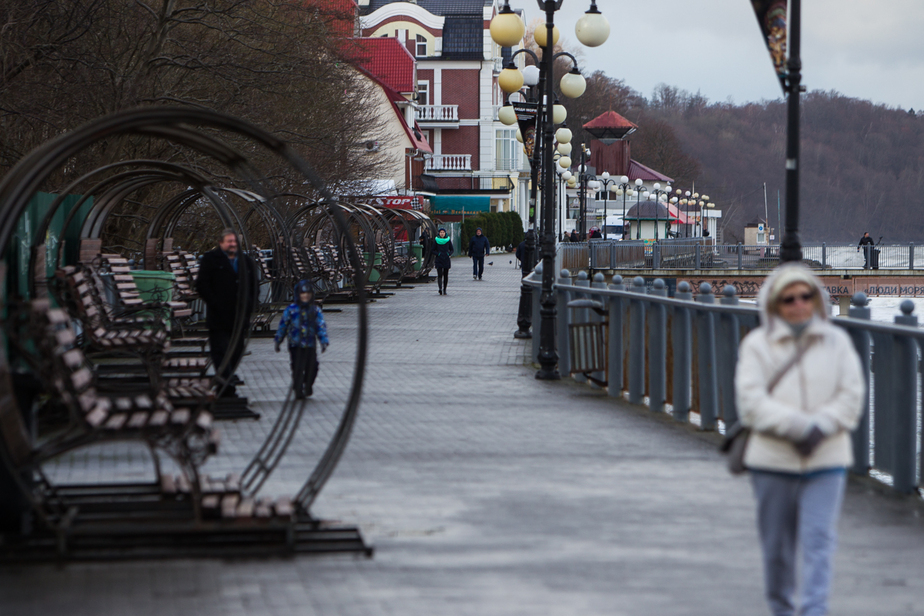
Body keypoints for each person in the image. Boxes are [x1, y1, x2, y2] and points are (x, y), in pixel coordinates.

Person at [735, 264, 865, 616]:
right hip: (773, 462)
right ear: (775, 303)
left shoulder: (836, 343)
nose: (797, 303)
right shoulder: (757, 346)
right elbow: (752, 403)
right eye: (788, 298)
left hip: (827, 459)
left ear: (816, 300)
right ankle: (781, 609)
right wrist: (798, 427)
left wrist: (822, 425)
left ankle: (814, 610)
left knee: (820, 542)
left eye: (805, 296)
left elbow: (851, 394)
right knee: (777, 548)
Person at [195, 228, 258, 396]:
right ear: (221, 243)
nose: (232, 244)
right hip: (219, 316)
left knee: (237, 350)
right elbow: (201, 285)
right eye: (229, 241)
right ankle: (226, 386)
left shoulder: (246, 261)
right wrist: (215, 302)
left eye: (235, 242)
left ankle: (228, 380)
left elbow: (254, 286)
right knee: (221, 351)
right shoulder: (211, 259)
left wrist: (250, 306)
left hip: (239, 316)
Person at [274, 280, 329, 399]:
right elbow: (283, 325)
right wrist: (278, 340)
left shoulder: (314, 310)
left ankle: (308, 384)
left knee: (312, 366)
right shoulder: (291, 310)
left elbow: (320, 326)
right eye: (302, 294)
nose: (305, 296)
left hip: (310, 344)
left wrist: (323, 340)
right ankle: (298, 388)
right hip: (295, 344)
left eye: (308, 294)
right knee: (297, 367)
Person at [432, 227, 453, 295]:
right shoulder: (436, 240)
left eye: (443, 232)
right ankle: (440, 288)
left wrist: (448, 254)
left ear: (445, 233)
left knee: (446, 275)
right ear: (439, 233)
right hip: (439, 259)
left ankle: (445, 289)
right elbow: (432, 250)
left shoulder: (448, 240)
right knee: (440, 274)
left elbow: (452, 249)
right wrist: (438, 254)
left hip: (446, 259)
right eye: (441, 232)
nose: (442, 233)